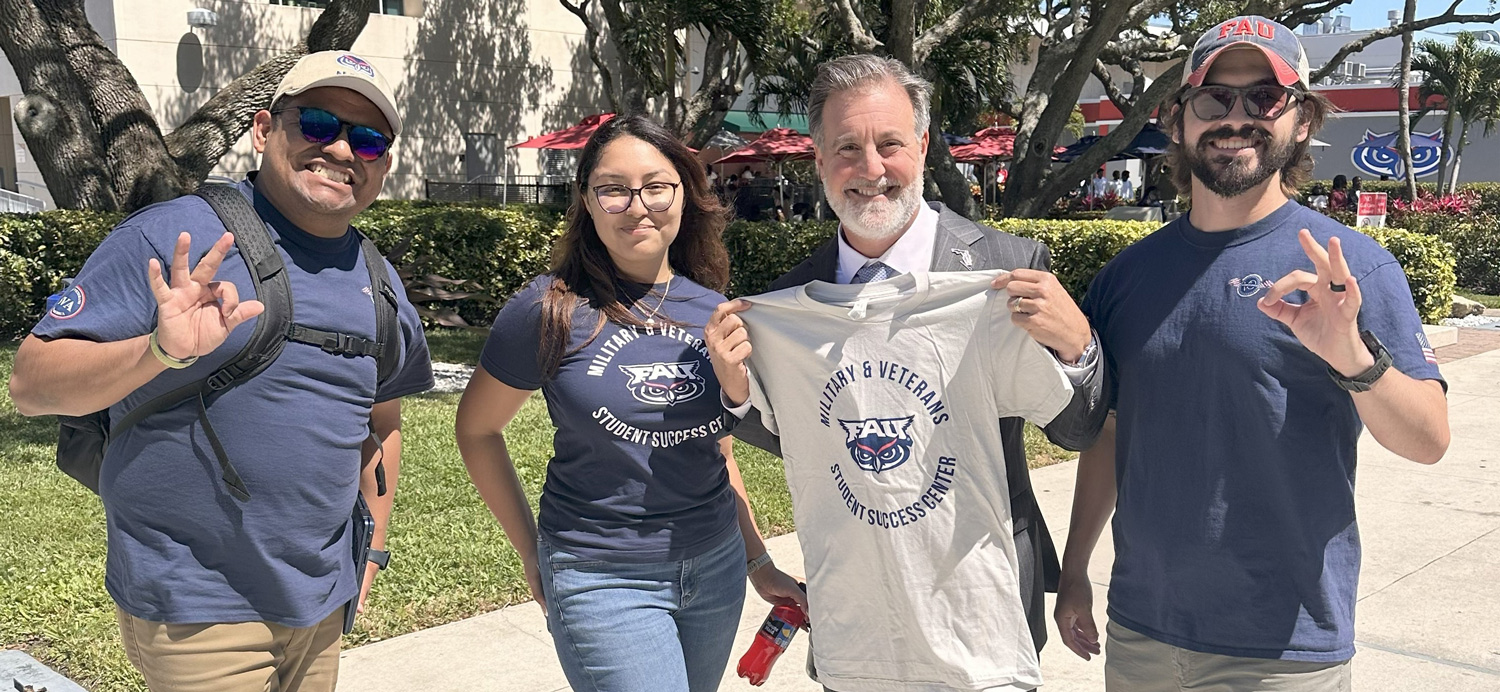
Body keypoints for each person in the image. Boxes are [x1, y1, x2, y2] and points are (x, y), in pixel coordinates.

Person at [8, 51, 435, 692]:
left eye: (369, 139)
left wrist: (369, 553)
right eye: (318, 124)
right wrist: (159, 349)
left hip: (319, 603)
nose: (344, 150)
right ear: (263, 130)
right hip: (197, 605)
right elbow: (30, 383)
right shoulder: (174, 236)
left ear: (384, 165)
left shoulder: (380, 282)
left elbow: (382, 425)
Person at [1053, 16, 1450, 692]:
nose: (1236, 118)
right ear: (1178, 121)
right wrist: (1073, 571)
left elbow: (1429, 439)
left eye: (1264, 98)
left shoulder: (1350, 267)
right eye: (1214, 99)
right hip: (1141, 633)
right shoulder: (1125, 279)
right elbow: (1112, 434)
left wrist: (1353, 356)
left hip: (1282, 650)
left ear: (1301, 121)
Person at [705, 54, 1107, 691]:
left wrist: (1079, 349)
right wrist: (736, 394)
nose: (870, 169)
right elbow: (801, 433)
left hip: (982, 615)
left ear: (921, 146)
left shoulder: (1006, 269)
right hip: (861, 619)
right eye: (846, 147)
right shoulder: (788, 300)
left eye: (889, 143)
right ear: (818, 161)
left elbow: (1079, 431)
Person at [454, 114, 806, 692]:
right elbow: (477, 431)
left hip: (714, 569)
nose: (638, 205)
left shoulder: (711, 308)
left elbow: (715, 447)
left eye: (657, 186)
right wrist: (532, 550)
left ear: (685, 197)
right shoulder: (548, 310)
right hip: (601, 576)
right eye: (615, 189)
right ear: (587, 202)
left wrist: (756, 562)